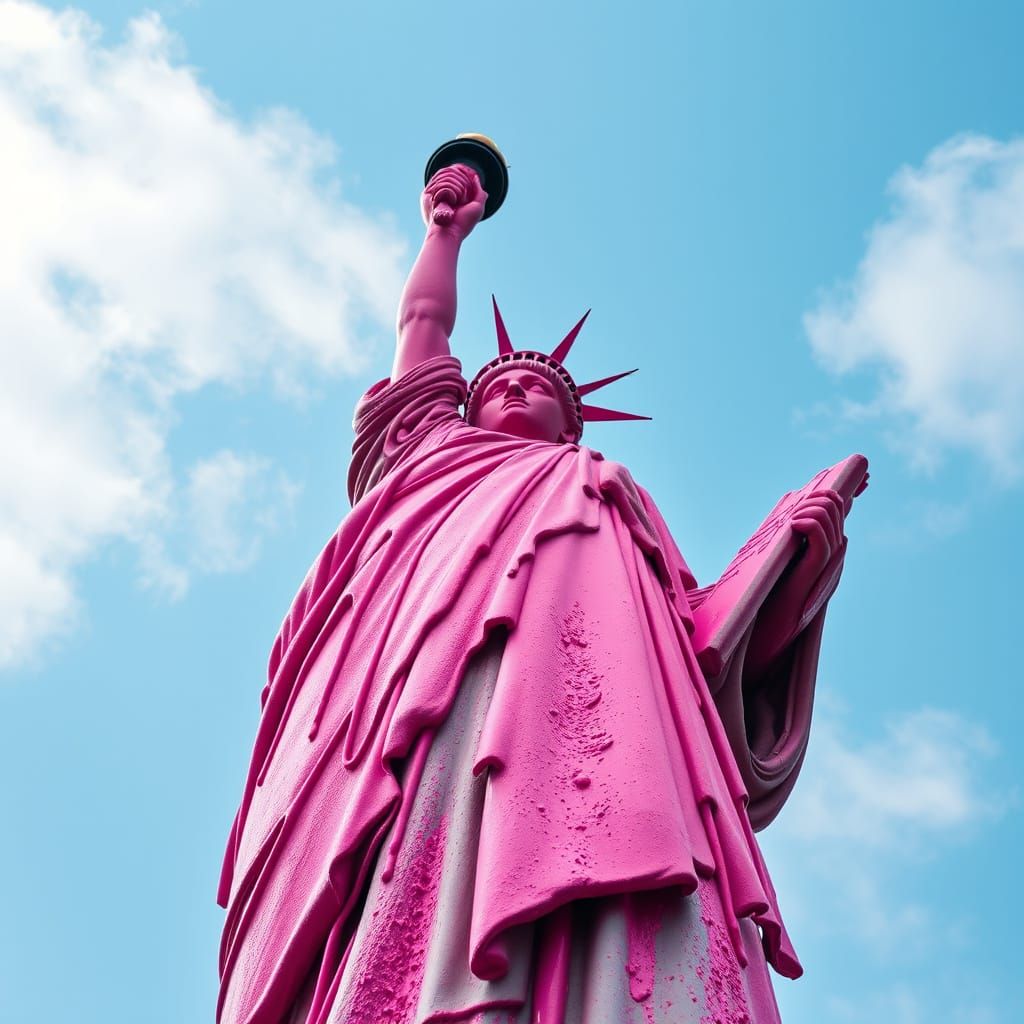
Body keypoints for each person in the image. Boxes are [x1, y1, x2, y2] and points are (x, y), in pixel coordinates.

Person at [216, 164, 852, 1024]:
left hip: (598, 725)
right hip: (429, 699)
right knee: (425, 851)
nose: (516, 389)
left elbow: (702, 656)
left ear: (570, 420)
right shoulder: (432, 451)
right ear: (465, 410)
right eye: (500, 386)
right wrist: (444, 232)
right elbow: (424, 324)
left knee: (626, 853)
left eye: (539, 390)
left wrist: (792, 554)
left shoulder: (609, 491)